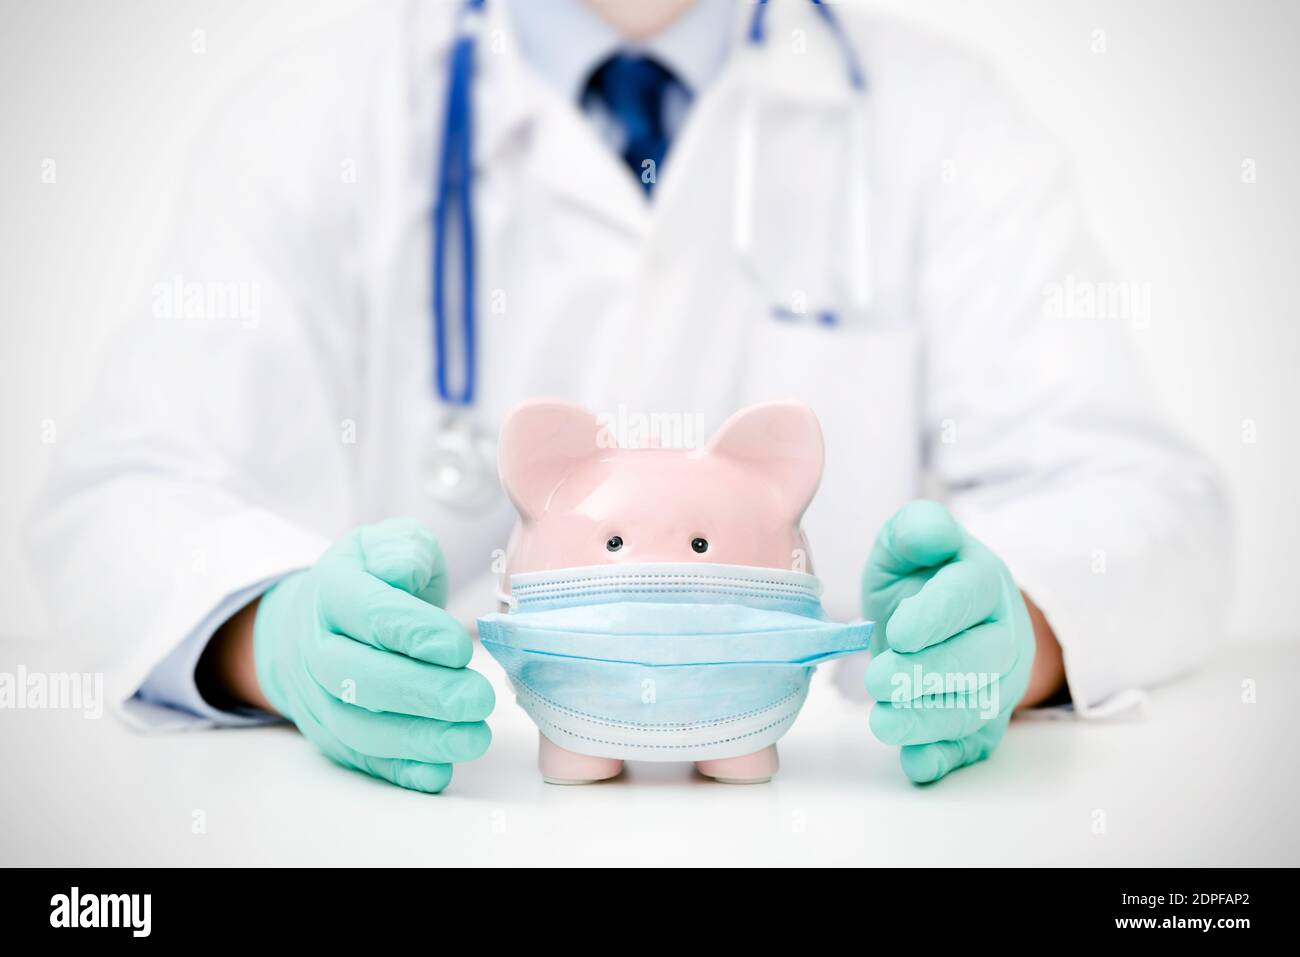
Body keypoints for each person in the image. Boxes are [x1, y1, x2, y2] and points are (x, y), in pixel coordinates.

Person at [26, 0, 1229, 791]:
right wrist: (272, 640)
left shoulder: (941, 119)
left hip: (835, 825)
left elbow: (1149, 498)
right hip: (439, 816)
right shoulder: (314, 115)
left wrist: (1016, 631)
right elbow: (121, 498)